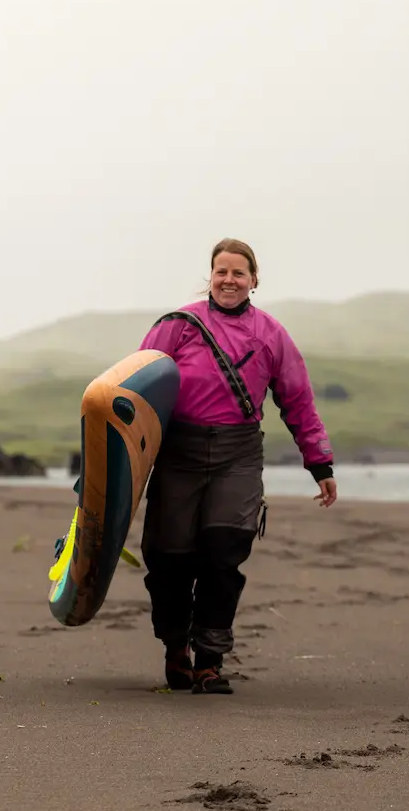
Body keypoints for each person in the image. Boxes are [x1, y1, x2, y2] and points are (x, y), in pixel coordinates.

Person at [137, 238, 338, 695]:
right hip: (179, 453)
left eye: (238, 273)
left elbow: (298, 401)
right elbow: (135, 387)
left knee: (223, 553)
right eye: (221, 272)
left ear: (254, 281)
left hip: (238, 453)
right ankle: (175, 648)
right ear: (209, 276)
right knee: (169, 559)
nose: (229, 280)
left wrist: (319, 462)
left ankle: (209, 659)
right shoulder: (176, 326)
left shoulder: (270, 334)